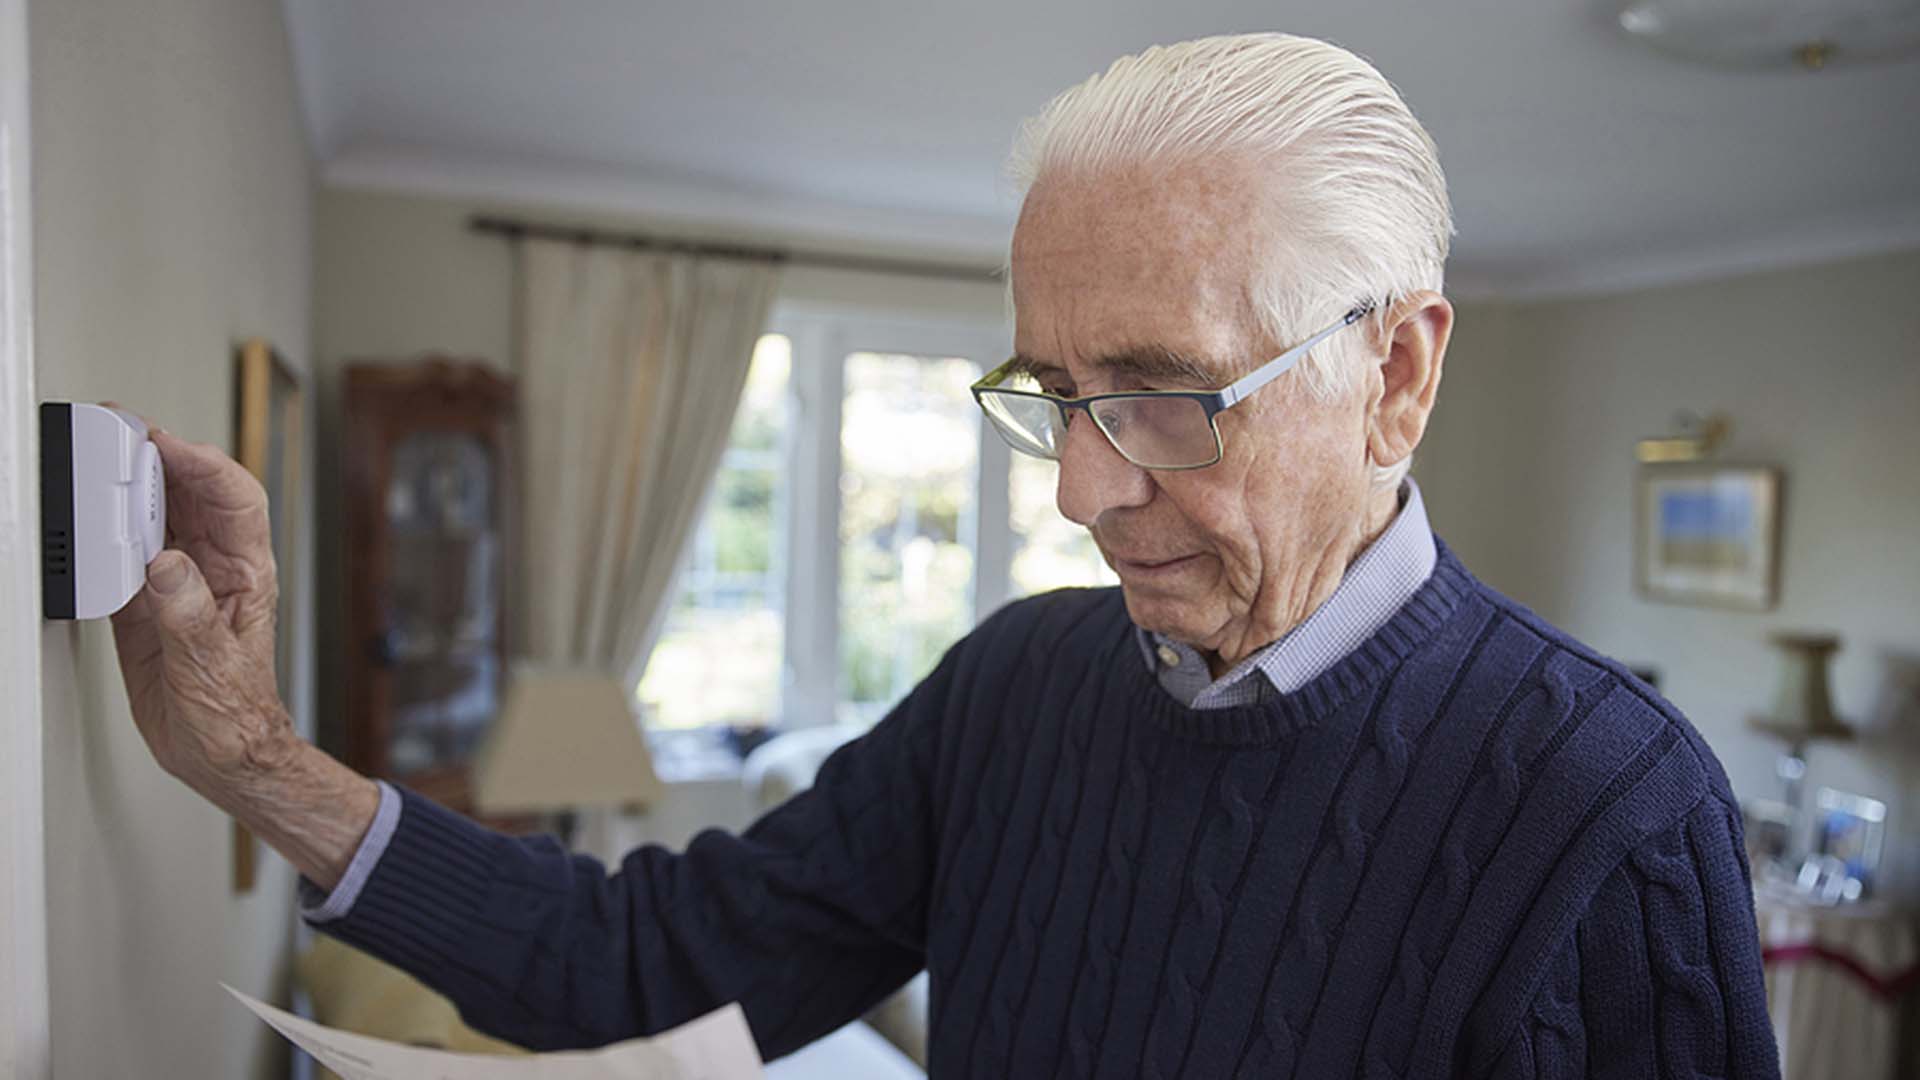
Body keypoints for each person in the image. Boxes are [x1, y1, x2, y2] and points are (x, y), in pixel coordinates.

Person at [115, 33, 1779, 1078]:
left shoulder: (1614, 815)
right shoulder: (1015, 689)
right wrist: (249, 756)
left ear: (1395, 377)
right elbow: (642, 962)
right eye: (1052, 395)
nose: (1079, 493)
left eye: (1166, 396)